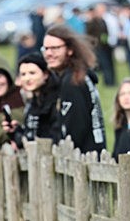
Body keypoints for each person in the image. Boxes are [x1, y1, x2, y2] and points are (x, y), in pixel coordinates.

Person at [41, 24, 106, 154]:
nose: (49, 53)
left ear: (70, 50)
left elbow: (75, 129)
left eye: (55, 48)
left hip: (83, 159)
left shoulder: (73, 82)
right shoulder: (78, 75)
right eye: (46, 48)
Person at [2, 52, 60, 147]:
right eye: (23, 74)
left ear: (45, 74)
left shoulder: (55, 102)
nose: (27, 78)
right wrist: (15, 131)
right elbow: (28, 140)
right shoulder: (33, 103)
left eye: (32, 73)